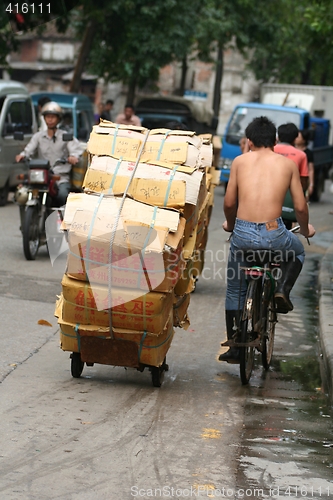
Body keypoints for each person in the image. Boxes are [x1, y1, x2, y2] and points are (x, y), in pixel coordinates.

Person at [219, 116, 315, 363]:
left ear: (249, 141)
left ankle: (236, 347)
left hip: (242, 234)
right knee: (297, 252)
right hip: (274, 234)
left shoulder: (240, 162)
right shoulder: (287, 165)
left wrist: (230, 225)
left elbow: (229, 203)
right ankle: (282, 291)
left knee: (234, 288)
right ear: (274, 141)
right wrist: (305, 229)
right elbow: (300, 207)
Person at [15, 101, 82, 206]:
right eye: (47, 117)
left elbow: (75, 150)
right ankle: (27, 220)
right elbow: (29, 149)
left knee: (62, 196)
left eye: (53, 117)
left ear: (59, 119)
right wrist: (22, 155)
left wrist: (73, 157)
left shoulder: (65, 136)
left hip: (59, 177)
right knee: (22, 195)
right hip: (41, 177)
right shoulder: (38, 136)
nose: (50, 119)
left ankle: (61, 220)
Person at [274, 123, 309, 193]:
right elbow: (303, 180)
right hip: (291, 193)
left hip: (269, 190)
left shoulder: (270, 150)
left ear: (278, 137)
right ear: (295, 138)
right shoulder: (301, 155)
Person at [294, 129, 315, 199]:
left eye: (298, 137)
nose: (296, 138)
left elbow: (311, 169)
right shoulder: (292, 150)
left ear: (304, 140)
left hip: (303, 181)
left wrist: (311, 184)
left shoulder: (308, 153)